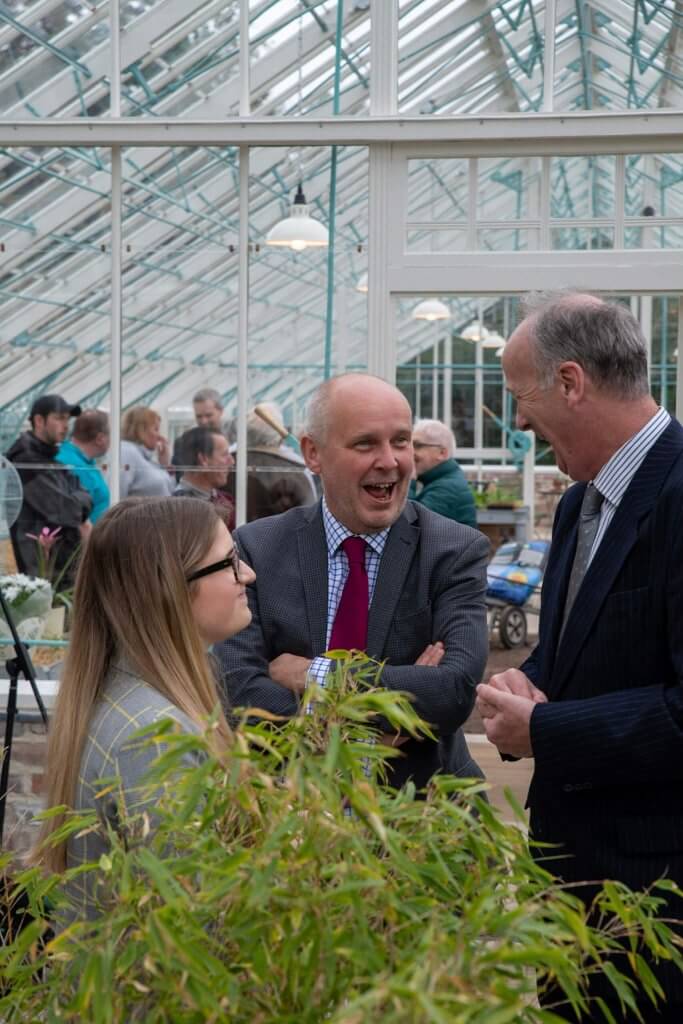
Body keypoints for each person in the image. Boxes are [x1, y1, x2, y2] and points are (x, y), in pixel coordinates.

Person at [475, 292, 683, 1022]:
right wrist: (526, 683)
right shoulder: (579, 502)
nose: (518, 422)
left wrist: (545, 732)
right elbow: (572, 654)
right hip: (572, 878)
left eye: (518, 397)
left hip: (655, 898)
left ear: (569, 382)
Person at [216, 373, 489, 790]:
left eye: (401, 441)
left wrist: (317, 676)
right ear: (313, 453)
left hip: (422, 821)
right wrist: (369, 733)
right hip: (288, 816)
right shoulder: (258, 548)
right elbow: (238, 689)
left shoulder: (451, 551)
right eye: (365, 444)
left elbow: (451, 691)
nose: (390, 460)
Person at [34, 497, 256, 922]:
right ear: (170, 587)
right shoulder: (155, 737)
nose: (247, 574)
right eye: (229, 562)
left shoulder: (127, 695)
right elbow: (192, 923)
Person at [5, 394, 92, 584]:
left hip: (58, 567)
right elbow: (65, 510)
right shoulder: (25, 460)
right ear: (39, 420)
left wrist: (78, 504)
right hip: (43, 573)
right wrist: (79, 505)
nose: (66, 425)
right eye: (59, 418)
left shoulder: (50, 460)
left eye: (67, 419)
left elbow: (85, 496)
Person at [410, 418, 477, 529]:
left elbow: (410, 526)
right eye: (409, 445)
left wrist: (408, 480)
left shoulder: (447, 489)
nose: (411, 452)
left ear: (442, 453)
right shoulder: (441, 482)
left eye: (417, 445)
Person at [55, 409, 111, 523]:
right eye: (110, 435)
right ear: (100, 439)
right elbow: (79, 517)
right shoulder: (77, 467)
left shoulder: (83, 460)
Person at [173, 425, 235, 526]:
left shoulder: (224, 500)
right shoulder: (181, 508)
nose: (232, 461)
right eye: (225, 455)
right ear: (203, 459)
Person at [120, 406, 174, 498]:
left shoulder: (144, 457)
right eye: (156, 429)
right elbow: (117, 493)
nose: (159, 436)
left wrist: (164, 464)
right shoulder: (127, 451)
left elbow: (169, 490)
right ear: (141, 430)